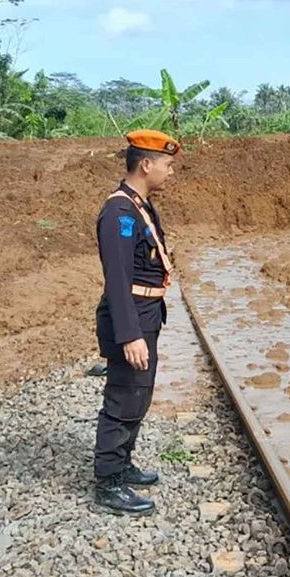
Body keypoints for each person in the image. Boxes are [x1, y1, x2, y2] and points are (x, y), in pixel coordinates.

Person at [92, 129, 180, 516]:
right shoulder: (119, 213)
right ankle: (108, 480)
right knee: (125, 394)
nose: (170, 172)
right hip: (131, 319)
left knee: (139, 392)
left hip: (147, 315)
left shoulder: (140, 206)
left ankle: (123, 463)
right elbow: (117, 277)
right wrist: (129, 335)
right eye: (167, 164)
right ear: (146, 164)